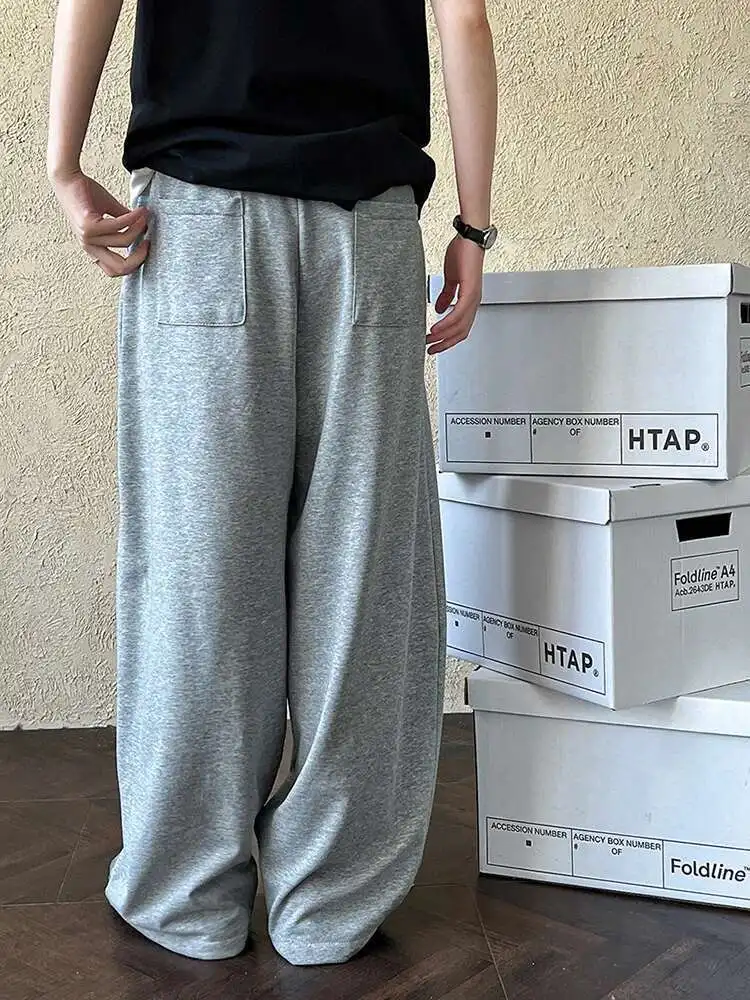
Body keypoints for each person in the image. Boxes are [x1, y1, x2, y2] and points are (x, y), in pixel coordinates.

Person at [47, 0, 498, 967]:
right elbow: (463, 19)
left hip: (199, 223)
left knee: (200, 575)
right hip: (367, 230)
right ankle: (328, 904)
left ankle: (189, 896)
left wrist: (63, 163)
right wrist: (473, 222)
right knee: (362, 577)